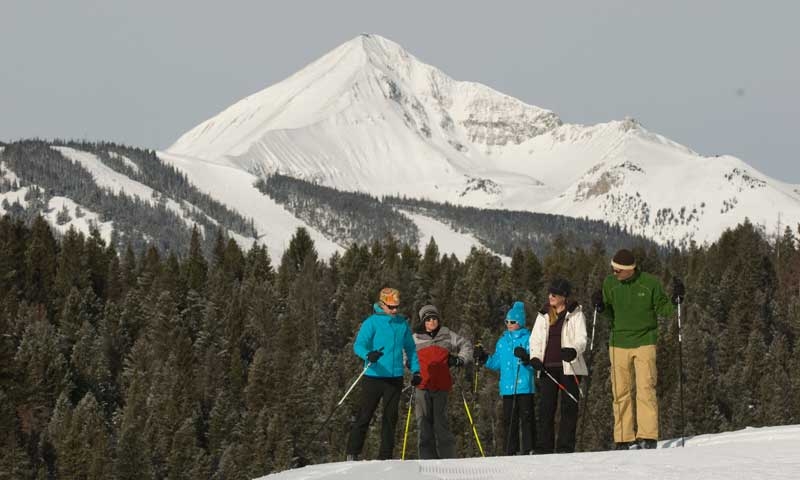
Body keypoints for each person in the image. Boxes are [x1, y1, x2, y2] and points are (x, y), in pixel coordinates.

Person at [592, 249, 685, 450]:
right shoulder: (610, 283)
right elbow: (609, 312)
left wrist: (675, 300)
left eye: (618, 270)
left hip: (645, 341)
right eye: (613, 269)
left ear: (630, 270)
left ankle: (647, 436)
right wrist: (600, 306)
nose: (614, 273)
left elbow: (664, 309)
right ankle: (624, 437)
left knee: (645, 388)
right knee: (620, 391)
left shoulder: (650, 283)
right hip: (618, 342)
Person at [346, 287, 422, 461]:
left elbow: (410, 349)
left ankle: (385, 457)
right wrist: (368, 354)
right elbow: (359, 345)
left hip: (395, 378)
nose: (394, 310)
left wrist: (416, 370)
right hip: (373, 376)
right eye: (391, 307)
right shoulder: (371, 322)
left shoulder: (401, 323)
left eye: (397, 307)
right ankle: (353, 453)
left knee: (390, 418)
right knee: (365, 415)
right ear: (382, 304)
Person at [529, 278, 588, 454]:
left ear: (564, 296)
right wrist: (535, 358)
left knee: (569, 408)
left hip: (570, 367)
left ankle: (565, 447)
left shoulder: (576, 314)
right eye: (549, 293)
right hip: (548, 369)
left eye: (554, 294)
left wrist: (573, 350)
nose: (551, 296)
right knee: (546, 408)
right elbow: (536, 339)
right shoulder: (544, 315)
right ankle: (544, 447)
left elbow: (582, 339)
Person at [474, 301, 537, 455]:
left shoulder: (528, 338)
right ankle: (511, 450)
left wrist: (526, 357)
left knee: (527, 418)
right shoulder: (502, 341)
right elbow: (497, 363)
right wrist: (484, 358)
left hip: (524, 385)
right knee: (509, 420)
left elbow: (535, 362)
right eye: (507, 321)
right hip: (507, 387)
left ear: (520, 322)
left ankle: (529, 448)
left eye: (513, 322)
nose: (509, 324)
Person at [411, 304, 473, 459]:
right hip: (422, 385)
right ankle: (426, 460)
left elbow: (466, 345)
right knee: (423, 425)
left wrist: (460, 360)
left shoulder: (446, 334)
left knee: (441, 424)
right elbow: (406, 354)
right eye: (428, 319)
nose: (432, 322)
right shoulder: (415, 338)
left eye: (434, 319)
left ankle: (448, 459)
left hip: (441, 386)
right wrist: (412, 370)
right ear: (423, 322)